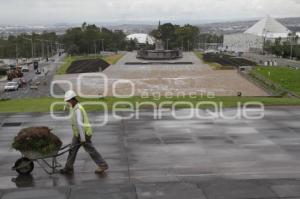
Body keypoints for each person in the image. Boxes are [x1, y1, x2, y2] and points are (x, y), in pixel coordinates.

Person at [60, 90, 108, 174]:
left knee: (90, 150)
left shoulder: (78, 109)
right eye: (67, 101)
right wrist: (65, 106)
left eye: (68, 101)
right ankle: (68, 167)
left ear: (73, 100)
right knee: (72, 150)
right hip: (77, 134)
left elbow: (80, 125)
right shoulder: (74, 107)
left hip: (84, 134)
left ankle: (103, 165)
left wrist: (82, 138)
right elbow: (67, 107)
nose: (67, 103)